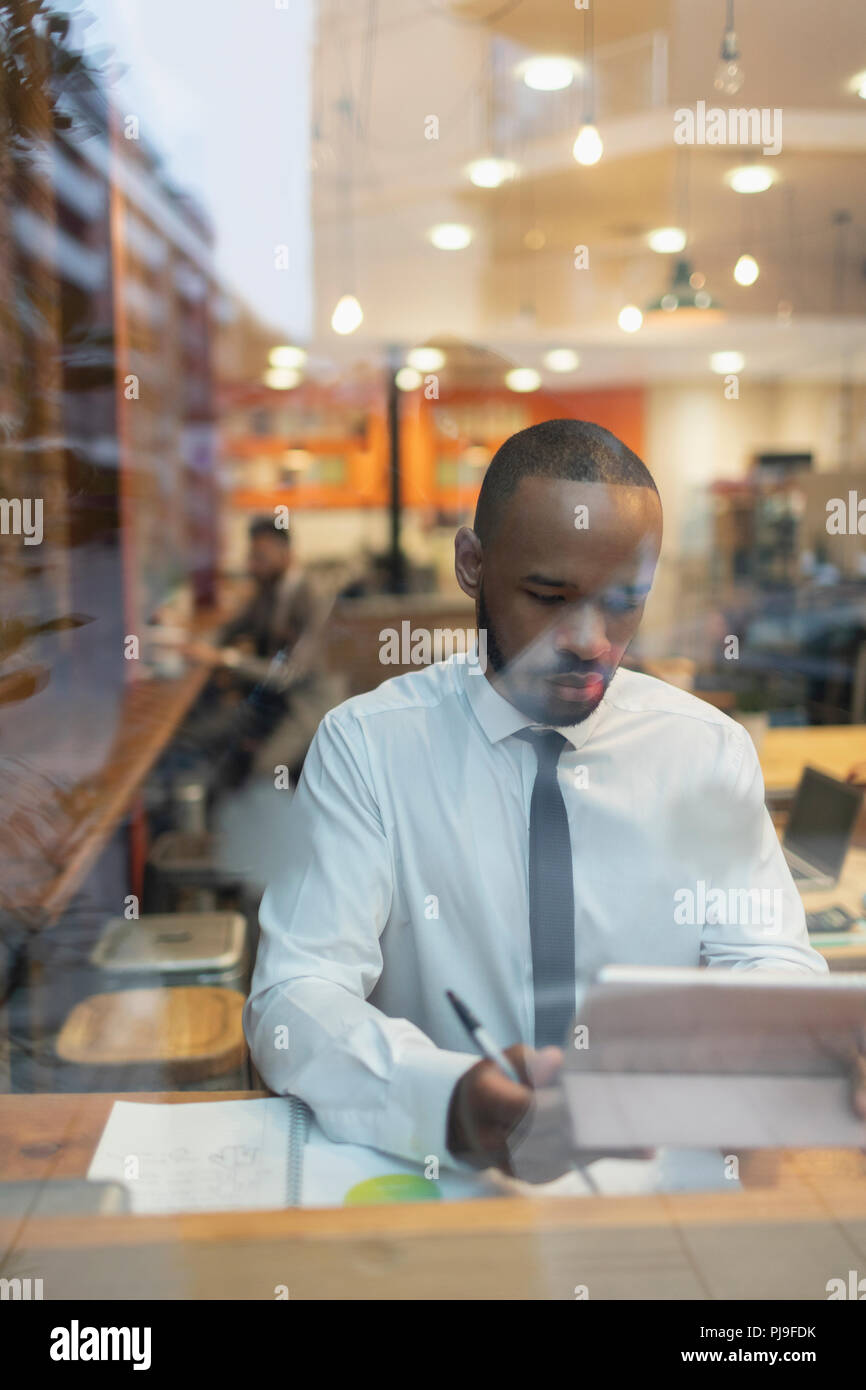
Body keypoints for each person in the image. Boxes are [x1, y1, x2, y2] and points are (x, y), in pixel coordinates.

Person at [245, 420, 857, 1179]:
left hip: (663, 1182)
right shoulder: (370, 748)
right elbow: (294, 998)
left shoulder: (705, 753)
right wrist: (445, 1098)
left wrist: (781, 1042)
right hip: (448, 1178)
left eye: (625, 601)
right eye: (549, 596)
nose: (591, 641)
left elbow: (768, 962)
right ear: (472, 564)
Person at [179, 517, 337, 789]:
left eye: (260, 557)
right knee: (201, 733)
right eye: (252, 556)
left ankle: (272, 822)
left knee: (264, 772)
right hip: (271, 700)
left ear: (287, 555)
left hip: (304, 707)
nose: (252, 565)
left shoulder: (313, 599)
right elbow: (232, 627)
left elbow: (288, 675)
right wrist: (196, 642)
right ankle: (209, 811)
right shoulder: (269, 590)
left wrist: (225, 659)